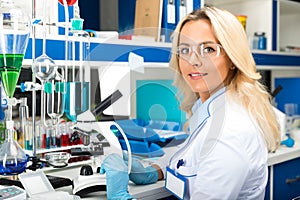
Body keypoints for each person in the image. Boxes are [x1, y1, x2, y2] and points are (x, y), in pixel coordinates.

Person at [100, 6, 281, 200]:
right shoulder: (212, 108)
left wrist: (121, 198)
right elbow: (193, 155)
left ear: (232, 59)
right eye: (185, 49)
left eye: (208, 49)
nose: (193, 60)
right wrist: (153, 171)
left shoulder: (228, 132)